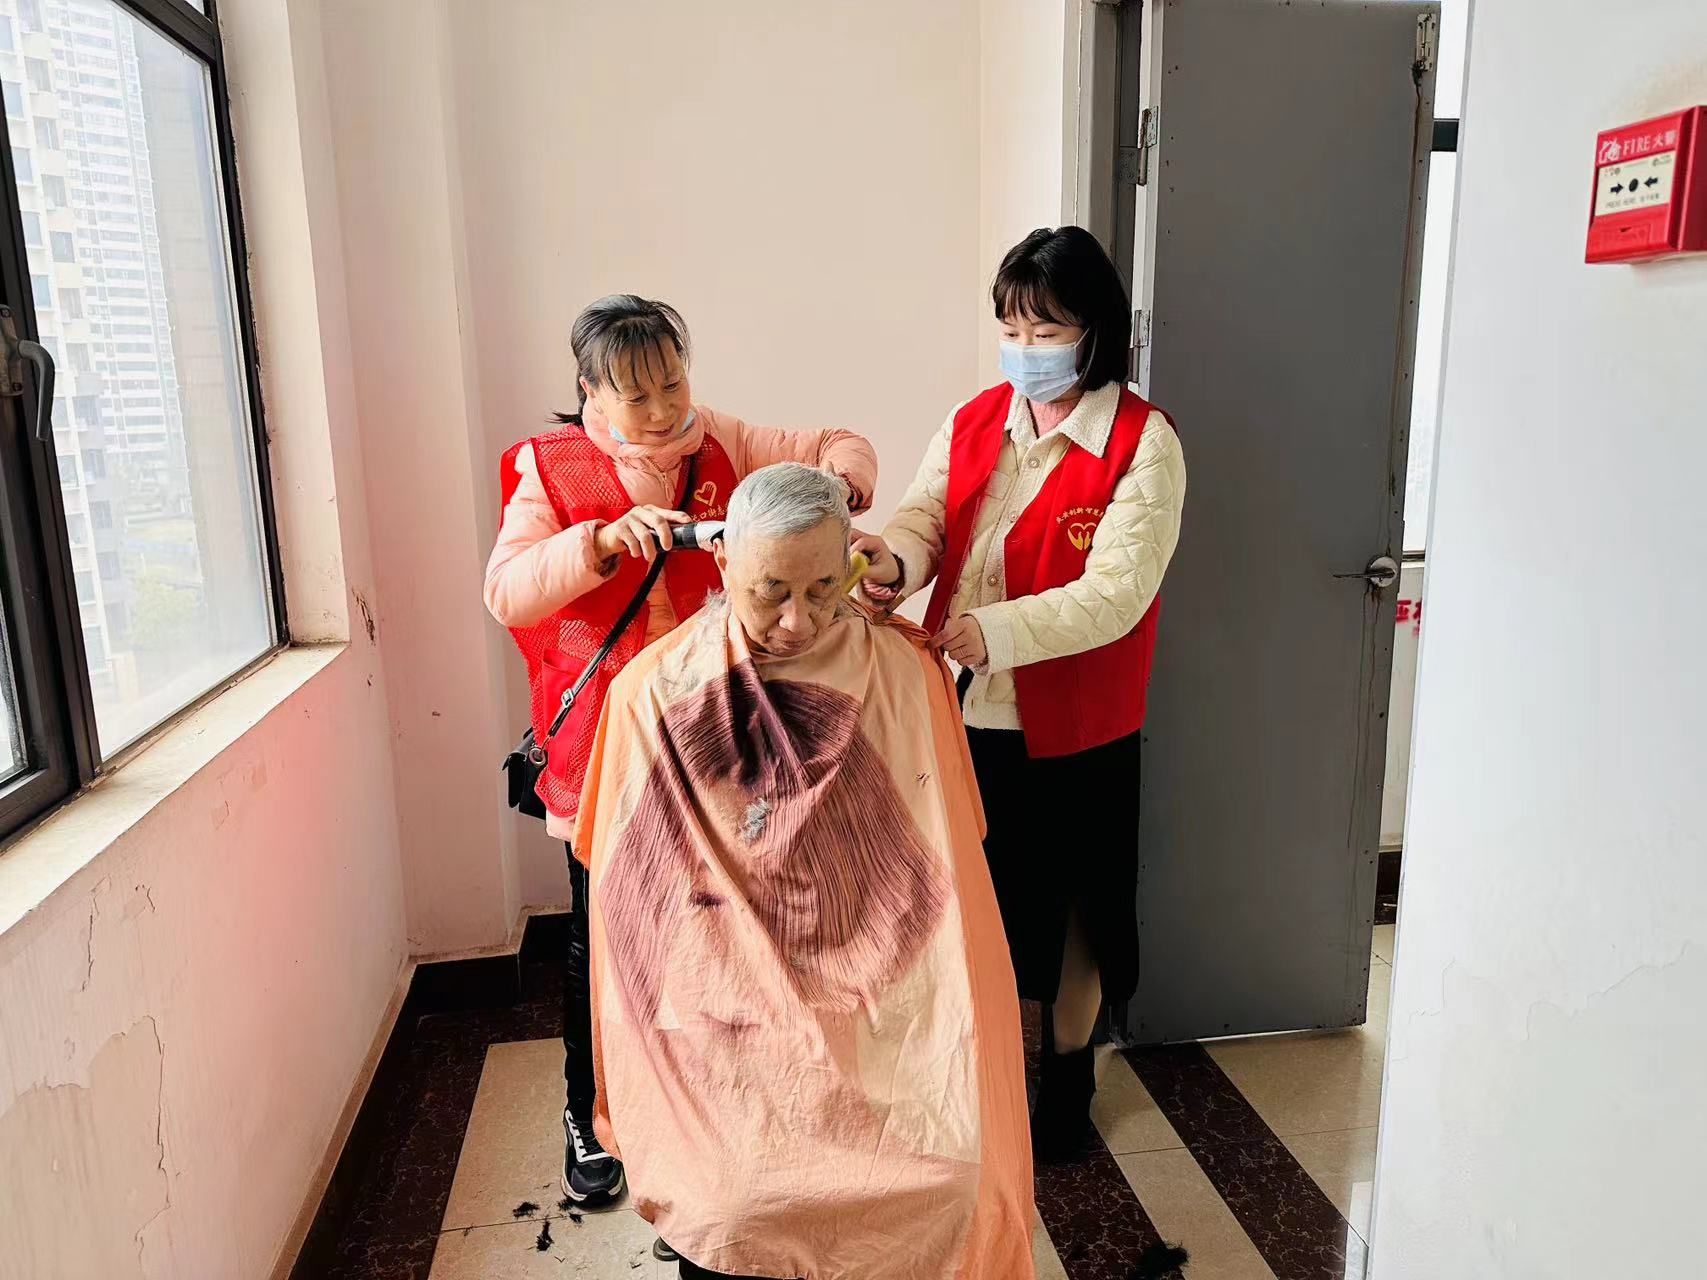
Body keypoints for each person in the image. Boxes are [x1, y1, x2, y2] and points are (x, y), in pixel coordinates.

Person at [575, 464, 1035, 1280]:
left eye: (824, 589)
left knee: (954, 1181)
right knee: (730, 1204)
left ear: (853, 563)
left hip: (878, 990)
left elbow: (947, 865)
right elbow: (629, 896)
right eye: (771, 592)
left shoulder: (904, 673)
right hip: (722, 1004)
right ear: (724, 563)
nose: (798, 620)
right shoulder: (653, 693)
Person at [484, 296, 878, 1208]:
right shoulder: (550, 468)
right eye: (636, 395)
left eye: (673, 383)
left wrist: (839, 491)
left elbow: (839, 442)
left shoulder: (722, 441)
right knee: (604, 935)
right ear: (590, 391)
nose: (664, 410)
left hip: (716, 741)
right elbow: (506, 593)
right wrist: (597, 543)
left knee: (718, 927)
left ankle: (700, 1109)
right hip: (606, 746)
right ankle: (589, 1113)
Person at [854, 226, 1186, 1162]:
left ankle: (1069, 1077)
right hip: (969, 714)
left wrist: (994, 631)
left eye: (1045, 331)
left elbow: (1116, 595)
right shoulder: (976, 421)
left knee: (1079, 906)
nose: (1024, 349)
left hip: (1079, 721)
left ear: (1095, 331)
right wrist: (893, 561)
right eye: (1010, 329)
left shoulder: (1143, 443)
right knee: (977, 900)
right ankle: (987, 1068)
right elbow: (925, 516)